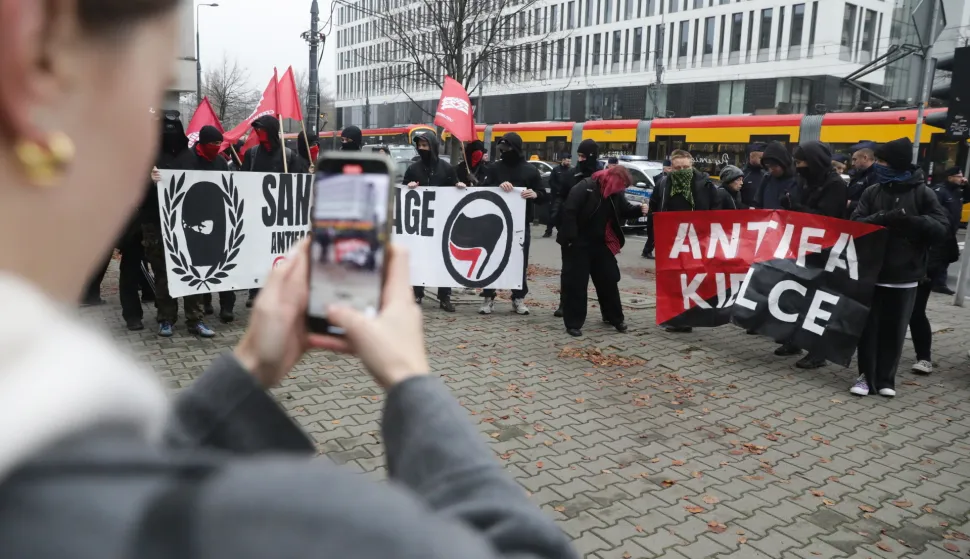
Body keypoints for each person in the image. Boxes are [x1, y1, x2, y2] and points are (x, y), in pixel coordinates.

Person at [0, 3, 579, 558]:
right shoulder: (290, 523)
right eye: (150, 98)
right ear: (38, 57)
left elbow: (129, 481)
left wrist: (249, 365)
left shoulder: (54, 465)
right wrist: (410, 379)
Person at [849, 137, 949, 398]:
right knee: (869, 328)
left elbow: (941, 227)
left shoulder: (922, 192)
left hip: (905, 275)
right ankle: (864, 377)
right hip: (873, 272)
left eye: (882, 161)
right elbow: (856, 223)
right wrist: (881, 218)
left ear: (897, 164)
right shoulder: (873, 191)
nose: (879, 166)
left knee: (894, 329)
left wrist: (913, 223)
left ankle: (886, 379)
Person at [774, 141, 849, 368]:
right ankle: (795, 339)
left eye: (800, 162)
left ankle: (819, 351)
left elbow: (826, 217)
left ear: (813, 161)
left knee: (819, 300)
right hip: (803, 247)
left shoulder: (834, 184)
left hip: (824, 251)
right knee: (799, 295)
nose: (797, 167)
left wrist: (796, 207)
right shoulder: (805, 180)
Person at [144, 113, 213, 338]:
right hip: (158, 223)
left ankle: (196, 319)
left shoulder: (190, 157)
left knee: (193, 270)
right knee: (164, 275)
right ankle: (166, 319)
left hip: (188, 224)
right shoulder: (149, 157)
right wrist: (148, 180)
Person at [557, 166, 648, 336]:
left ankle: (615, 318)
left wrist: (638, 210)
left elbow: (623, 209)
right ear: (612, 181)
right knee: (576, 284)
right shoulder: (585, 187)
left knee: (609, 280)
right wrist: (571, 240)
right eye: (621, 186)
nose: (622, 190)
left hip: (601, 243)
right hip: (578, 243)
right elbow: (569, 212)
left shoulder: (615, 192)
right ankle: (573, 323)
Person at [240, 115, 310, 308]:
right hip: (256, 214)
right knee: (257, 253)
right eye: (257, 131)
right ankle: (255, 291)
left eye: (262, 130)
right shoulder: (252, 154)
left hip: (280, 216)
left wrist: (307, 175)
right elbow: (242, 180)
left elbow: (300, 183)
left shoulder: (289, 156)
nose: (259, 134)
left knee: (280, 253)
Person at [647, 150, 719, 333]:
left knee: (692, 281)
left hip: (697, 240)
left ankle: (689, 318)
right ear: (671, 168)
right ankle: (675, 317)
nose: (682, 171)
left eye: (686, 167)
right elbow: (654, 209)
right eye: (678, 168)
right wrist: (654, 236)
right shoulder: (663, 184)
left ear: (692, 165)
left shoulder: (706, 184)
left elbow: (717, 211)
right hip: (671, 241)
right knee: (673, 280)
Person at [480, 133, 545, 316]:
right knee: (492, 258)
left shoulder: (530, 171)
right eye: (501, 149)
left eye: (507, 149)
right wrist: (497, 186)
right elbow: (482, 190)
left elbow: (543, 195)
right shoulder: (494, 168)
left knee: (519, 261)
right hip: (494, 224)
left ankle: (518, 297)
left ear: (515, 148)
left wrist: (536, 195)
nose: (504, 153)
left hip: (520, 225)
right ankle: (488, 297)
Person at [181, 125, 237, 325]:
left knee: (224, 261)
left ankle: (227, 306)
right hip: (195, 219)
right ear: (203, 143)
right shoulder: (186, 159)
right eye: (214, 143)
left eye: (219, 143)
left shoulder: (221, 161)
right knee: (201, 262)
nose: (218, 147)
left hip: (218, 218)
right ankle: (204, 302)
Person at [404, 132, 464, 312]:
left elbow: (455, 186)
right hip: (421, 223)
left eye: (425, 145)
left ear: (433, 146)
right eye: (419, 146)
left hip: (442, 223)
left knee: (443, 259)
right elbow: (404, 189)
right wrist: (409, 187)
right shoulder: (413, 169)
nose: (422, 149)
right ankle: (417, 293)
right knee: (419, 257)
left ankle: (444, 296)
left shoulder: (446, 168)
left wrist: (458, 186)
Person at [909, 174, 962, 375]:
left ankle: (924, 358)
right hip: (903, 268)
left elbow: (943, 245)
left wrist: (928, 270)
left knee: (916, 312)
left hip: (923, 270)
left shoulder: (935, 215)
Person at [556, 140, 600, 317]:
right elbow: (560, 197)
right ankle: (564, 304)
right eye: (579, 156)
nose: (580, 160)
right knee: (568, 272)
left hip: (595, 233)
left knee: (601, 275)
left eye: (583, 156)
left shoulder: (601, 176)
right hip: (572, 233)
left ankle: (608, 311)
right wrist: (557, 217)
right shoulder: (572, 175)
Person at [929, 166, 969, 294]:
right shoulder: (940, 190)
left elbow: (968, 198)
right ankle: (935, 282)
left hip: (951, 231)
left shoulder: (957, 191)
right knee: (937, 257)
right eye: (958, 177)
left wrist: (966, 185)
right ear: (950, 177)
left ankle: (939, 282)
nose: (961, 179)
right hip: (940, 229)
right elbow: (934, 208)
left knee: (948, 256)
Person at [753, 141, 799, 210]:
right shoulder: (766, 179)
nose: (770, 170)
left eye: (774, 166)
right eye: (767, 167)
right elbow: (757, 204)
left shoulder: (798, 181)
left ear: (783, 163)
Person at [642, 158, 672, 259]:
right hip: (656, 210)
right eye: (669, 168)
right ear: (664, 168)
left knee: (655, 234)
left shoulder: (664, 178)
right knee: (653, 234)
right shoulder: (661, 179)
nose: (671, 170)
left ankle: (647, 251)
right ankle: (647, 251)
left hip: (657, 209)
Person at [543, 153, 571, 238]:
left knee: (565, 214)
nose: (569, 162)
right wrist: (558, 190)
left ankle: (562, 231)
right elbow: (551, 182)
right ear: (562, 160)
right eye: (567, 160)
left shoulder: (571, 170)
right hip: (557, 196)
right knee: (553, 213)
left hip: (567, 196)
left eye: (569, 160)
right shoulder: (556, 170)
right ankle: (548, 231)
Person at [847, 144, 877, 217]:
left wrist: (851, 204)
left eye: (855, 159)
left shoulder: (876, 175)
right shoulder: (860, 174)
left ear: (865, 158)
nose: (852, 163)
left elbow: (874, 203)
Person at [740, 143, 766, 208]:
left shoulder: (766, 175)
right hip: (747, 215)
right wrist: (747, 208)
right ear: (751, 157)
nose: (764, 161)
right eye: (761, 158)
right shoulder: (742, 175)